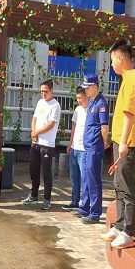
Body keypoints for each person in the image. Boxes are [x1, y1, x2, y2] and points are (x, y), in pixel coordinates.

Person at [100, 40, 135, 248]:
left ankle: (128, 232)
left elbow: (129, 114)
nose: (111, 64)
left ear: (120, 59)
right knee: (119, 186)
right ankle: (119, 226)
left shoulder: (132, 80)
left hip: (128, 144)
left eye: (112, 60)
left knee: (127, 188)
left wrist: (124, 142)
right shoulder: (127, 79)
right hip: (121, 141)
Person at [73, 74, 109, 224]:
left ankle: (94, 213)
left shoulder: (101, 103)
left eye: (88, 88)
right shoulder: (92, 103)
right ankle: (84, 208)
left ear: (95, 87)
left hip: (94, 147)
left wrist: (104, 142)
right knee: (86, 180)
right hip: (87, 147)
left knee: (94, 181)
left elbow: (104, 127)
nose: (86, 91)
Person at [22, 79, 61, 210]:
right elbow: (35, 118)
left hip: (47, 144)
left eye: (46, 91)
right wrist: (33, 132)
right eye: (41, 91)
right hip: (36, 142)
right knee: (33, 169)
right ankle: (33, 195)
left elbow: (50, 124)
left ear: (51, 90)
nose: (43, 94)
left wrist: (37, 132)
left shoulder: (55, 106)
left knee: (46, 172)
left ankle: (47, 199)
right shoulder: (40, 102)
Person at [62, 86, 88, 211]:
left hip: (84, 149)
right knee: (74, 177)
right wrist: (70, 143)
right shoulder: (77, 110)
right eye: (77, 98)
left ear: (86, 96)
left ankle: (85, 203)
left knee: (84, 177)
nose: (79, 101)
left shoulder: (91, 110)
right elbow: (74, 128)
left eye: (80, 98)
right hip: (74, 147)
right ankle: (74, 201)